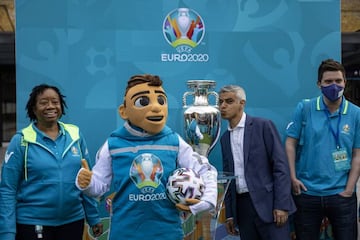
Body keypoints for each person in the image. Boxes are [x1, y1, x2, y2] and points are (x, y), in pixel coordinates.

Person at [75, 74, 218, 240]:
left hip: (167, 232)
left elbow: (205, 169)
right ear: (124, 111)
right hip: (125, 233)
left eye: (161, 101)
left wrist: (207, 200)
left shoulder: (174, 141)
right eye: (143, 102)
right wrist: (87, 183)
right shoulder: (113, 144)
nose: (156, 107)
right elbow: (99, 186)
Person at [0, 84, 103, 240]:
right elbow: (8, 189)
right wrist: (7, 232)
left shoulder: (75, 135)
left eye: (55, 102)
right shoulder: (21, 141)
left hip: (72, 222)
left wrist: (93, 217)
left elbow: (86, 180)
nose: (50, 106)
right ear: (33, 109)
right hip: (32, 223)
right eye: (43, 102)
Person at [285, 58, 360, 240]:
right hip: (307, 193)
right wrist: (293, 177)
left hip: (341, 194)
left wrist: (349, 189)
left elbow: (357, 154)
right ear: (319, 84)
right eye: (328, 81)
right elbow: (290, 143)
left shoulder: (356, 113)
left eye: (338, 81)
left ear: (344, 82)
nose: (333, 85)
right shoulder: (305, 108)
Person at [219, 85, 296, 240]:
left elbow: (280, 167)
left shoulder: (263, 126)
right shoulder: (224, 139)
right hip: (242, 209)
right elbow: (228, 179)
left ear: (242, 103)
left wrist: (281, 205)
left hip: (271, 206)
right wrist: (229, 215)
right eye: (220, 102)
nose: (223, 106)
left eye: (229, 101)